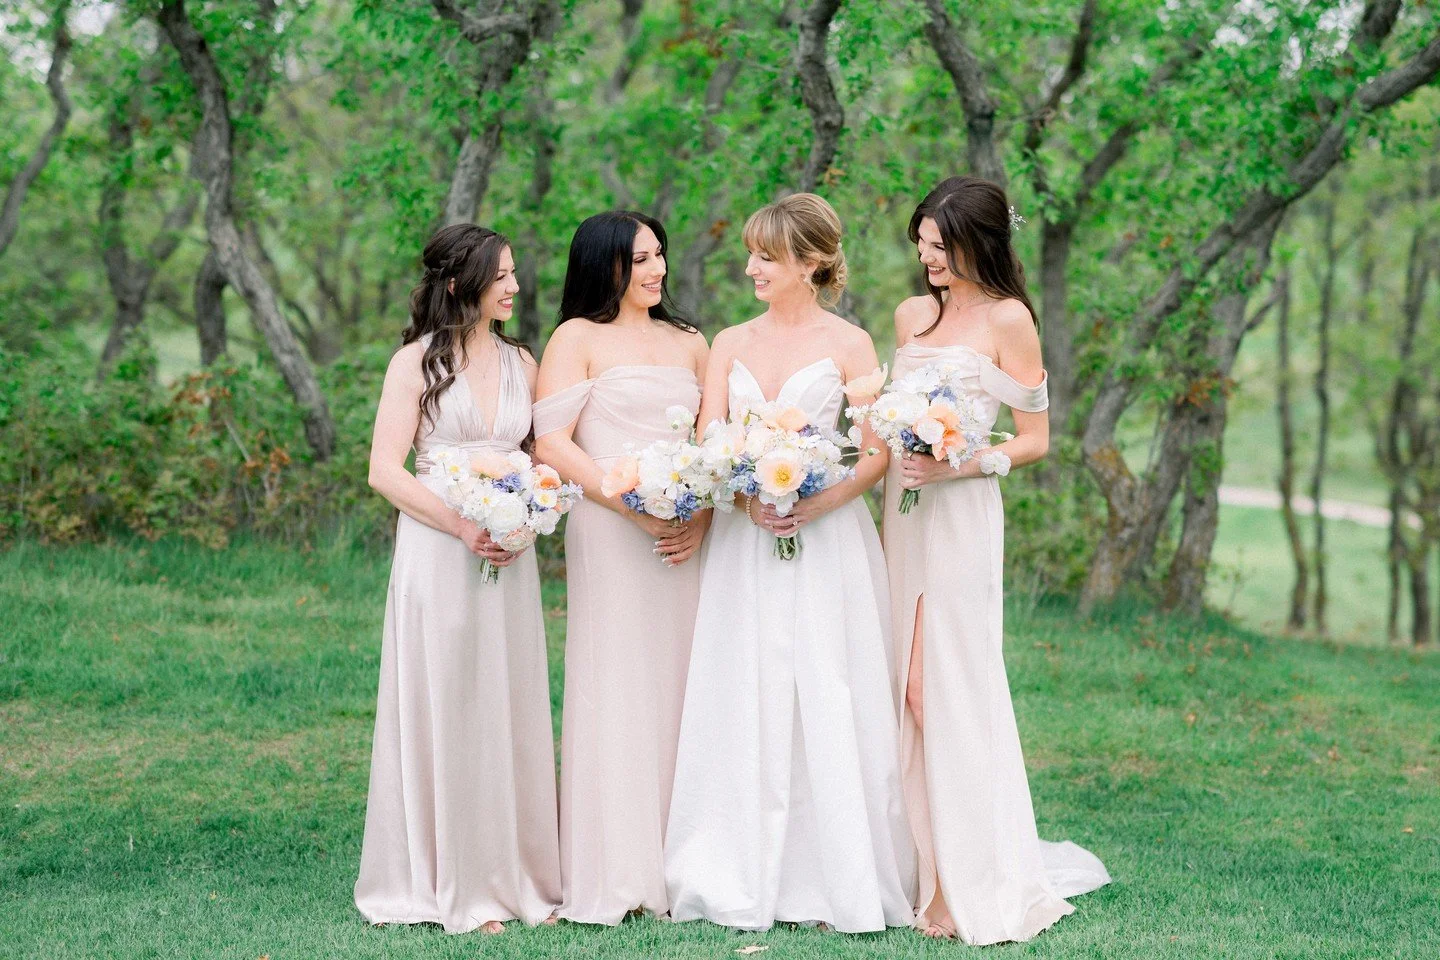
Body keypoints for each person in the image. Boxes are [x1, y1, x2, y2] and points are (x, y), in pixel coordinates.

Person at [664, 194, 914, 933]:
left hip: (828, 538)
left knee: (828, 684)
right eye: (751, 254)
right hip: (745, 541)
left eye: (766, 256)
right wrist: (746, 493)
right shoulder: (729, 341)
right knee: (744, 682)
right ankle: (733, 863)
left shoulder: (852, 344)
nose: (751, 268)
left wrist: (815, 502)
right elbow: (711, 439)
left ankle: (836, 872)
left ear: (810, 262)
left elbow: (874, 454)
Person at [886, 176, 1110, 943]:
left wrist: (962, 464)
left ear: (978, 244)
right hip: (901, 515)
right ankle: (918, 867)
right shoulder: (911, 316)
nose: (928, 261)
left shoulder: (1010, 320)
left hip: (960, 517)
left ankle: (968, 878)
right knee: (902, 683)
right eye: (921, 246)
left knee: (943, 689)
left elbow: (1036, 438)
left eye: (940, 248)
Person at [356, 223, 560, 934]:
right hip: (440, 550)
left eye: (513, 273)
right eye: (501, 276)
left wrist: (530, 511)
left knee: (507, 700)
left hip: (508, 552)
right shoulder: (414, 364)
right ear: (457, 284)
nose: (515, 286)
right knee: (447, 698)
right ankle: (452, 882)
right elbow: (384, 471)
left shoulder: (523, 361)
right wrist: (460, 524)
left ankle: (513, 876)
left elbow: (540, 456)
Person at [531, 211, 709, 924]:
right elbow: (552, 442)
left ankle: (688, 860)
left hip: (684, 533)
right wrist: (630, 503)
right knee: (616, 677)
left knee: (685, 677)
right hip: (609, 528)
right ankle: (616, 866)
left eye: (660, 254)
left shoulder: (690, 341)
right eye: (640, 259)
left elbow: (712, 442)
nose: (657, 269)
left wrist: (699, 514)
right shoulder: (575, 339)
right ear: (603, 265)